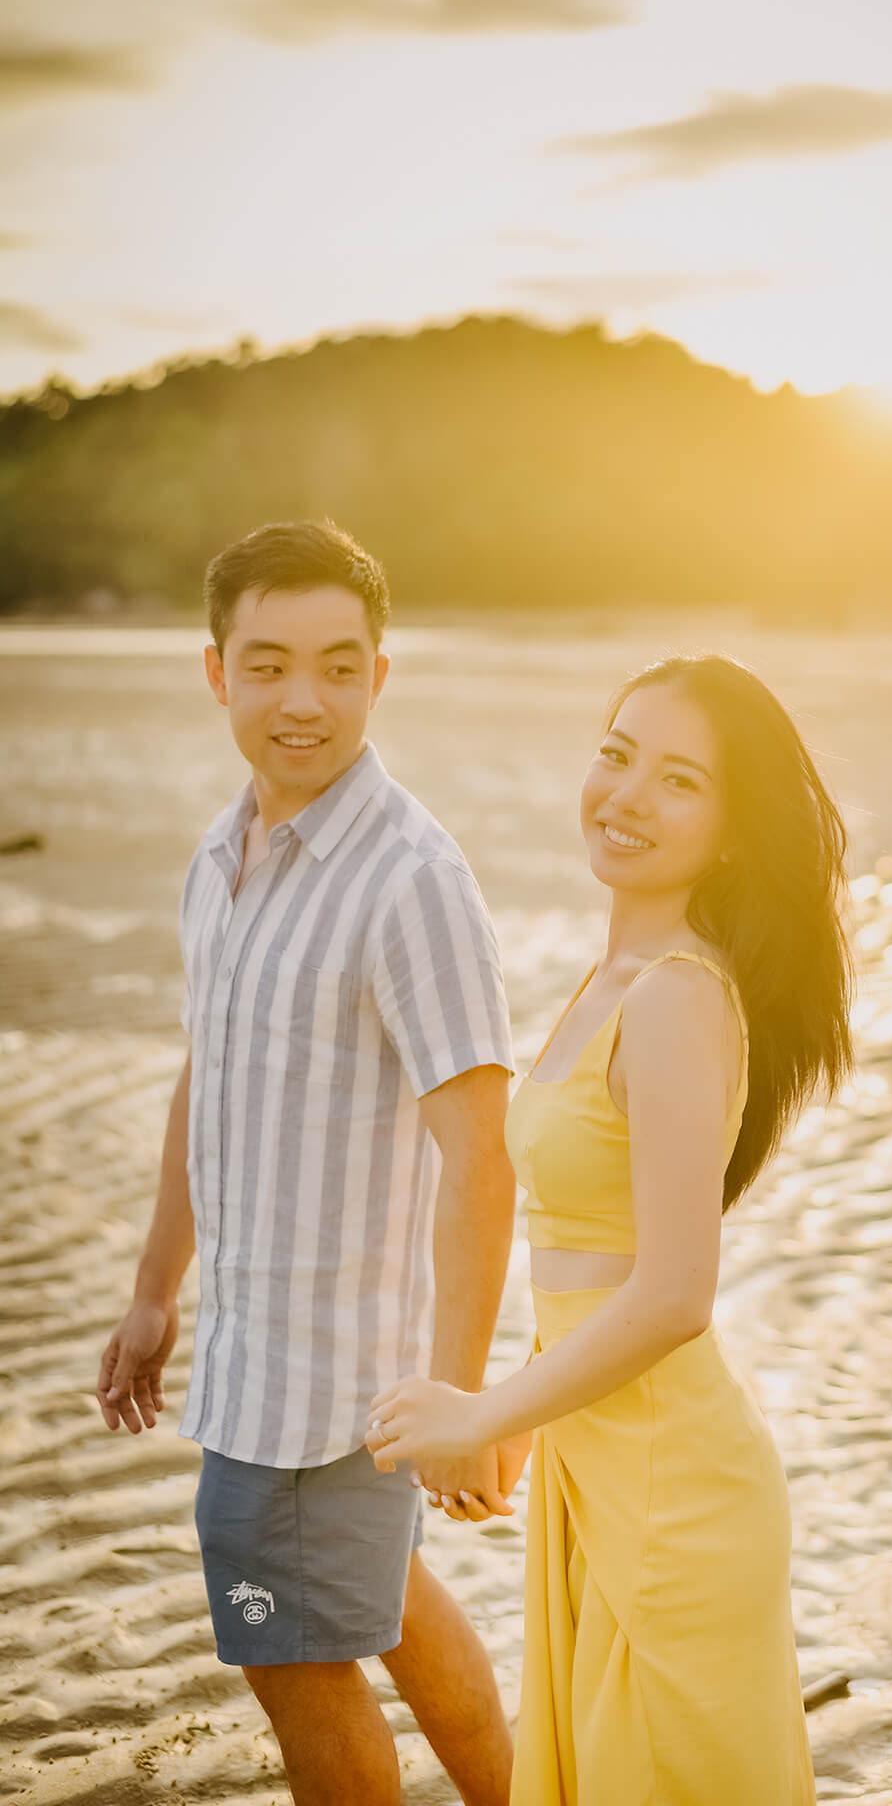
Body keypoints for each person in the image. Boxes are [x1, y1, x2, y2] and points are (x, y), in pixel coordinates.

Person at [368, 652, 854, 1804]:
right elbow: (595, 1264)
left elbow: (676, 1291)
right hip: (600, 1472)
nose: (627, 794)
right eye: (616, 752)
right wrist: (523, 1423)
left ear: (732, 830)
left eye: (679, 779)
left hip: (676, 1495)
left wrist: (482, 1406)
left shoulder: (678, 993)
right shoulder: (614, 976)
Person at [95, 520, 519, 1806]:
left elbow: (479, 1155)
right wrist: (154, 1287)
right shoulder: (218, 862)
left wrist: (458, 1393)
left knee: (296, 1662)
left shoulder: (409, 880)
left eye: (339, 666)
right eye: (269, 662)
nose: (304, 699)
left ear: (380, 675)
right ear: (216, 670)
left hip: (338, 1385)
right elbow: (204, 1076)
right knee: (380, 1601)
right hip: (250, 1352)